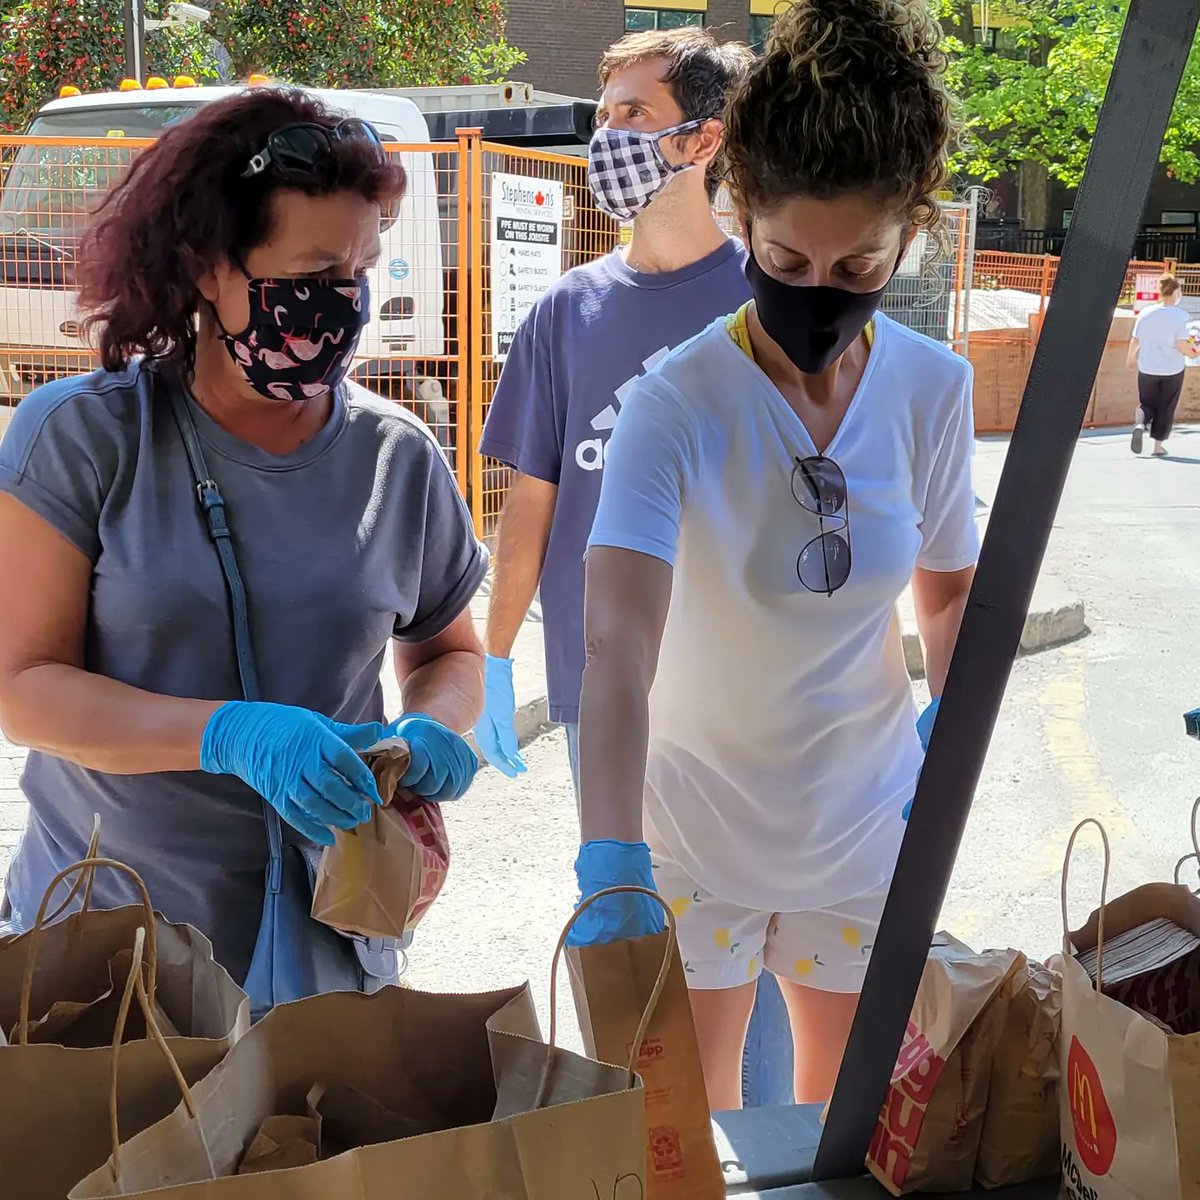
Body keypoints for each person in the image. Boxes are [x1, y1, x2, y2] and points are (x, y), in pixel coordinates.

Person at [570, 0, 978, 1109]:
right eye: (788, 256)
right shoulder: (677, 403)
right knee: (686, 1142)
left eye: (859, 268)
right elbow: (617, 642)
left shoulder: (931, 393)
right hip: (692, 835)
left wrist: (954, 715)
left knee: (842, 1134)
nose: (817, 293)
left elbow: (949, 594)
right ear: (740, 214)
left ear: (910, 238)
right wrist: (611, 853)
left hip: (863, 827)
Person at [0, 89, 486, 985]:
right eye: (310, 276)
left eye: (360, 270)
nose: (343, 304)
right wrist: (227, 734)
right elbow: (21, 688)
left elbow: (448, 651)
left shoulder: (398, 456)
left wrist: (433, 727)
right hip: (110, 959)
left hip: (329, 946)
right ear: (206, 268)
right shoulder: (81, 438)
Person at [473, 27, 753, 788]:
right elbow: (532, 503)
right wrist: (495, 659)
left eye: (634, 114)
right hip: (597, 682)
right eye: (604, 117)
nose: (608, 136)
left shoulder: (766, 306)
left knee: (729, 904)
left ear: (701, 141)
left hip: (739, 684)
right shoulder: (565, 312)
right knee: (619, 899)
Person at [1126, 273, 1197, 456]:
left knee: (1145, 403)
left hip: (1147, 367)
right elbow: (1182, 345)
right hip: (1172, 370)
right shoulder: (1180, 316)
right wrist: (1193, 352)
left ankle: (1139, 425)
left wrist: (1130, 358)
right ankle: (1158, 447)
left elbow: (1136, 339)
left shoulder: (1146, 313)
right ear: (1175, 291)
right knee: (1166, 407)